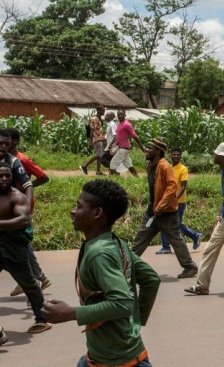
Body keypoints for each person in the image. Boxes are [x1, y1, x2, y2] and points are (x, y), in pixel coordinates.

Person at [41, 179, 160, 367]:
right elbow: (151, 280)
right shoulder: (116, 243)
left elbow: (122, 304)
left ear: (97, 213)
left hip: (119, 362)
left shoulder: (100, 253)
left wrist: (70, 313)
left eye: (78, 207)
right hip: (105, 356)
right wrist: (135, 324)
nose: (73, 211)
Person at [130, 138, 198, 279]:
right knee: (140, 239)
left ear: (158, 151)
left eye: (150, 148)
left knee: (176, 240)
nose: (147, 150)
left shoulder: (164, 166)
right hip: (153, 211)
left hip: (166, 212)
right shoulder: (150, 165)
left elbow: (171, 187)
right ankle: (127, 267)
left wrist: (161, 206)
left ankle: (190, 267)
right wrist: (155, 207)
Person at [185, 142, 224, 296]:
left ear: (223, 157)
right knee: (210, 249)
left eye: (217, 154)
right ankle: (202, 286)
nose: (214, 156)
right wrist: (221, 212)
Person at [0, 162, 52, 334]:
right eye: (0, 176)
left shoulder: (17, 197)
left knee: (29, 285)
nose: (4, 179)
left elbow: (23, 219)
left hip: (14, 249)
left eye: (8, 175)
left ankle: (42, 319)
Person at [5, 128, 52, 296]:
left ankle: (36, 279)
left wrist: (24, 190)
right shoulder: (5, 159)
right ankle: (29, 279)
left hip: (20, 208)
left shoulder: (21, 159)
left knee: (23, 244)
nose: (3, 143)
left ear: (14, 142)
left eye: (6, 141)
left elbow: (43, 177)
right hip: (8, 208)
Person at [156, 148, 202, 255]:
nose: (175, 156)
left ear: (180, 157)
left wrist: (175, 198)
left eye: (178, 155)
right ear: (170, 156)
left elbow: (183, 186)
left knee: (176, 225)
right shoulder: (169, 168)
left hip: (179, 202)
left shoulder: (183, 169)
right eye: (174, 155)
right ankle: (166, 247)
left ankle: (195, 236)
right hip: (167, 201)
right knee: (164, 223)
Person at [109, 109, 144, 176]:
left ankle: (113, 180)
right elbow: (120, 136)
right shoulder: (119, 124)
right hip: (122, 148)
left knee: (112, 166)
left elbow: (134, 136)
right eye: (118, 114)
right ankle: (138, 179)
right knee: (129, 166)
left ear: (125, 115)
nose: (120, 115)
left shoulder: (127, 124)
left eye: (121, 114)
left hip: (123, 149)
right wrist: (114, 144)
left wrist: (141, 147)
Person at [80, 106, 107, 176]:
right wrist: (91, 141)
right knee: (99, 155)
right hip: (96, 139)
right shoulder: (94, 119)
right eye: (103, 110)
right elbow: (91, 130)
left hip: (100, 139)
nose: (104, 112)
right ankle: (85, 166)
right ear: (99, 110)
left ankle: (98, 171)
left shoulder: (99, 119)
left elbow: (99, 130)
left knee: (99, 156)